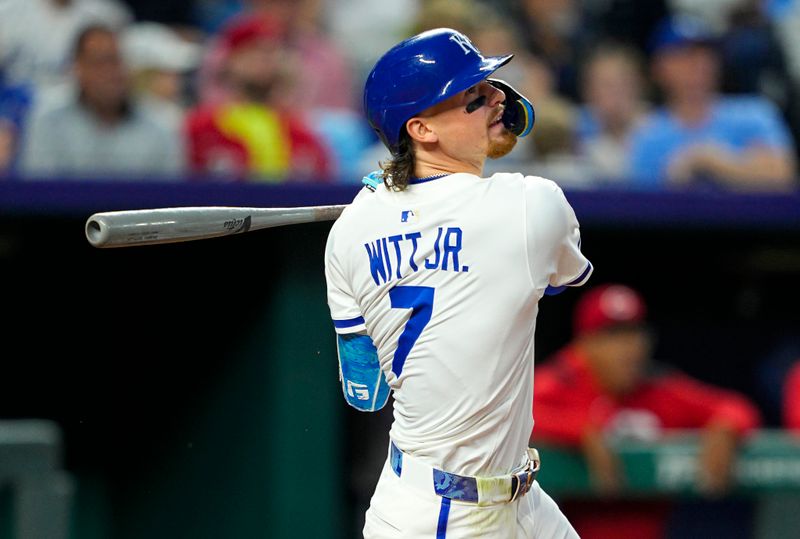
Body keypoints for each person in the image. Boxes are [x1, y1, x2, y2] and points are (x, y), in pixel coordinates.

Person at [324, 28, 592, 538]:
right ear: (422, 129)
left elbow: (366, 391)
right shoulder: (532, 204)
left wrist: (394, 225)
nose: (498, 98)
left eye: (490, 85)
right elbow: (559, 279)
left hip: (512, 500)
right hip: (442, 519)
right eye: (473, 96)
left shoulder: (349, 231)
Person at [532, 283, 761, 539]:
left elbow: (737, 407)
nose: (628, 348)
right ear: (585, 345)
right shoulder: (564, 381)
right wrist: (578, 430)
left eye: (634, 333)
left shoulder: (658, 388)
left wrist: (725, 428)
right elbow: (511, 414)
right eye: (612, 335)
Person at [628, 15, 796, 190]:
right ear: (660, 67)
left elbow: (782, 174)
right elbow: (643, 202)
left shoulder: (753, 113)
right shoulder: (649, 134)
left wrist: (711, 162)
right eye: (686, 55)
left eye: (707, 55)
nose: (700, 64)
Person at [19, 25, 183, 179]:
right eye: (100, 62)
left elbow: (170, 200)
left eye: (117, 61)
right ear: (78, 68)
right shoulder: (48, 120)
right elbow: (39, 194)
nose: (111, 72)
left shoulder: (162, 124)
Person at [184, 14, 332, 181]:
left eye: (270, 52)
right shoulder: (200, 128)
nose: (263, 60)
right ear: (231, 60)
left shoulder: (301, 132)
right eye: (253, 51)